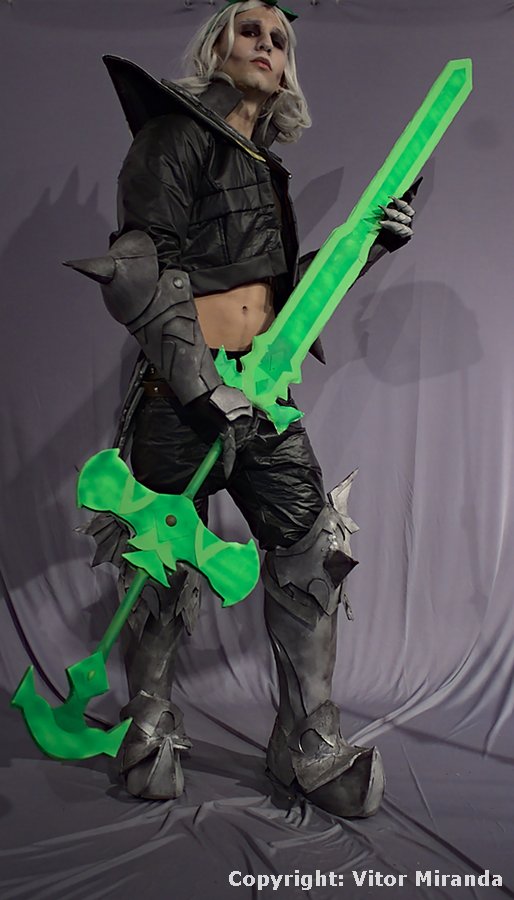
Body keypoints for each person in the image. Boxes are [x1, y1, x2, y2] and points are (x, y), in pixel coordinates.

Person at [83, 0, 417, 817]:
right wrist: (200, 384)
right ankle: (150, 724)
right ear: (217, 44)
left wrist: (369, 242)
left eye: (280, 39)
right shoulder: (170, 137)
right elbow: (140, 265)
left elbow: (281, 298)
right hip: (178, 394)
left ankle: (306, 739)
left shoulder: (264, 167)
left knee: (310, 548)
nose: (267, 45)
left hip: (263, 393)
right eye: (251, 31)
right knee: (160, 555)